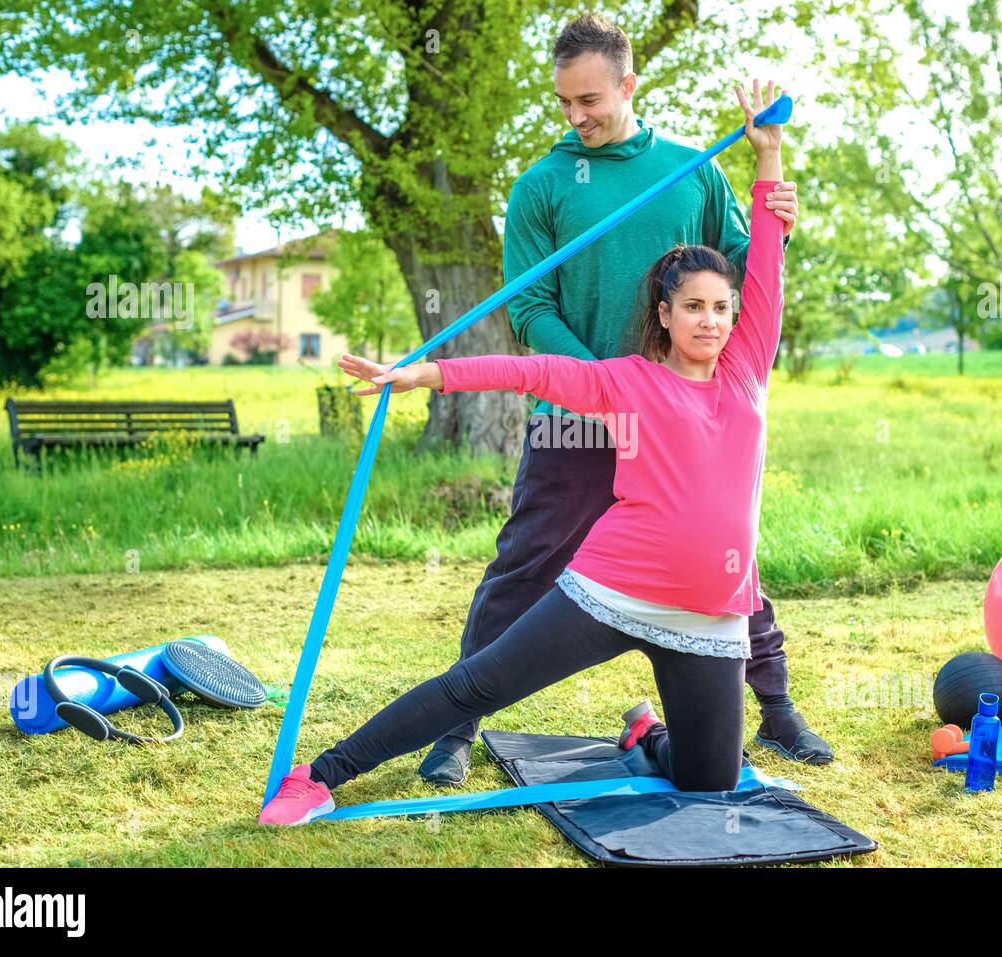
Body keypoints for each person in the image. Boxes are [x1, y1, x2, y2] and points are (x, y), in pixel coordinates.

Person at [260, 80, 796, 826]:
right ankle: (319, 773)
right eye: (692, 307)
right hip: (614, 591)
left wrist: (767, 151)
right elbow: (527, 369)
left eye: (720, 307)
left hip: (710, 618)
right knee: (478, 683)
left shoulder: (746, 373)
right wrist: (424, 373)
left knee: (709, 782)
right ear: (665, 314)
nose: (710, 320)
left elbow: (766, 260)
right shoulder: (626, 382)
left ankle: (646, 733)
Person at [415, 13, 831, 787]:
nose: (577, 117)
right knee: (524, 566)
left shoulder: (692, 170)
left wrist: (779, 224)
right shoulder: (541, 186)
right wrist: (611, 390)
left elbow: (735, 272)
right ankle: (454, 726)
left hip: (682, 421)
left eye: (591, 100)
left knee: (726, 561)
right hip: (579, 420)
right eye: (565, 103)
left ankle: (775, 709)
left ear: (628, 84)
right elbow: (533, 310)